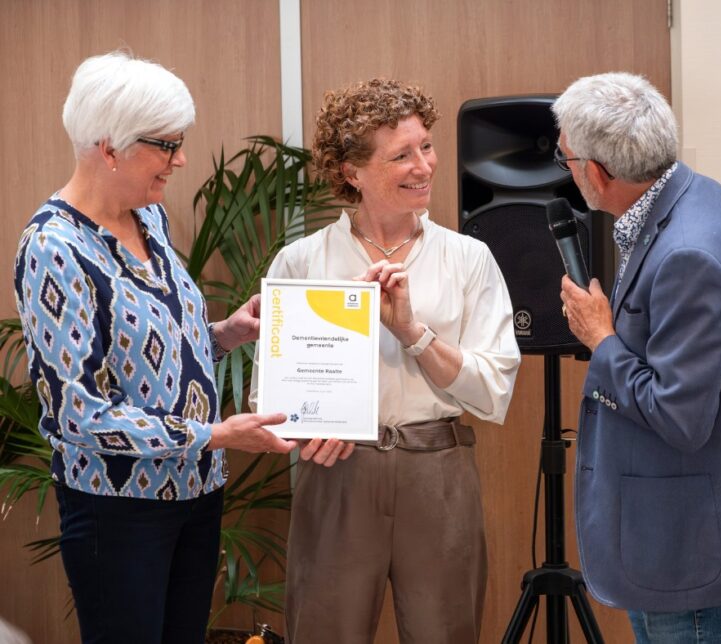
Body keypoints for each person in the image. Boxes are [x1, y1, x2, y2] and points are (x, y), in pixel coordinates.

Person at [13, 51, 297, 644]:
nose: (181, 159)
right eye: (166, 145)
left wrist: (226, 334)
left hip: (197, 493)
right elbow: (77, 412)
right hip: (119, 508)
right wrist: (213, 435)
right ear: (109, 147)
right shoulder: (53, 247)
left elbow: (154, 356)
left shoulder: (152, 218)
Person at [248, 78, 521, 643]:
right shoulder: (302, 262)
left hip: (438, 471)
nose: (424, 165)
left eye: (426, 146)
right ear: (352, 172)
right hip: (337, 474)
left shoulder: (469, 258)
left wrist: (412, 333)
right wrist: (306, 430)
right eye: (401, 155)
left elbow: (493, 389)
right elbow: (267, 398)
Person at [554, 72, 721, 643]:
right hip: (674, 535)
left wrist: (601, 339)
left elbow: (680, 417)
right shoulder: (699, 195)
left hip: (688, 554)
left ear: (598, 172)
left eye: (566, 159)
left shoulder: (687, 254)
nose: (566, 170)